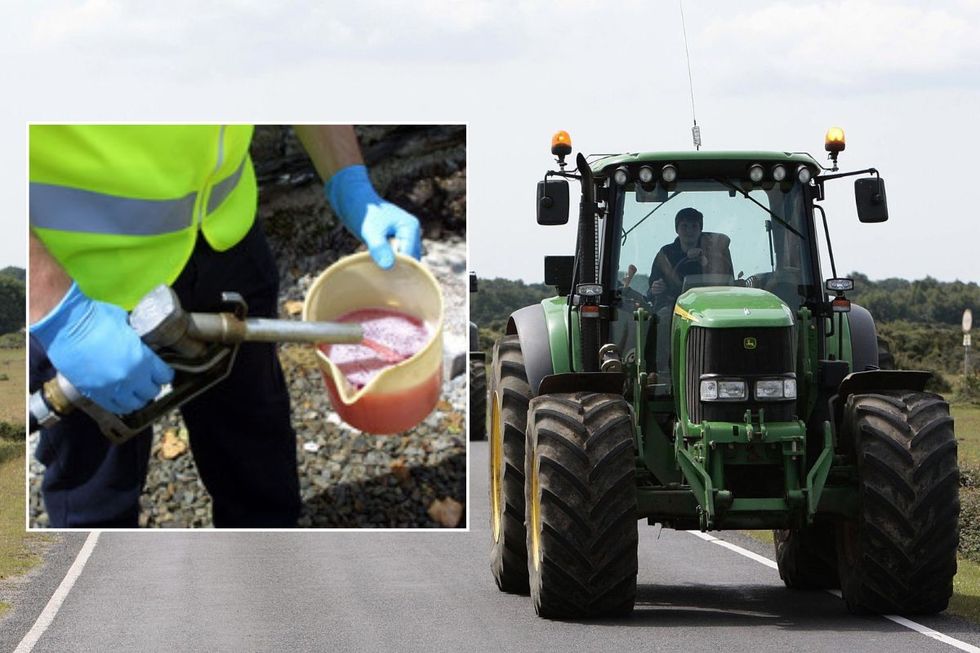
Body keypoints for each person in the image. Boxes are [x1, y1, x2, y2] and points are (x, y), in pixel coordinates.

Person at [29, 125, 422, 528]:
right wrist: (58, 311)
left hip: (225, 239)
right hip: (85, 285)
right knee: (95, 494)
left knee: (256, 454)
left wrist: (348, 179)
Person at [645, 207, 733, 375]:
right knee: (660, 320)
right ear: (677, 229)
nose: (689, 231)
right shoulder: (665, 254)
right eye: (684, 226)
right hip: (672, 305)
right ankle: (658, 371)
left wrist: (706, 262)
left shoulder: (715, 252)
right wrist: (656, 288)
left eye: (694, 226)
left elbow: (726, 279)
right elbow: (653, 286)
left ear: (700, 228)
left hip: (712, 306)